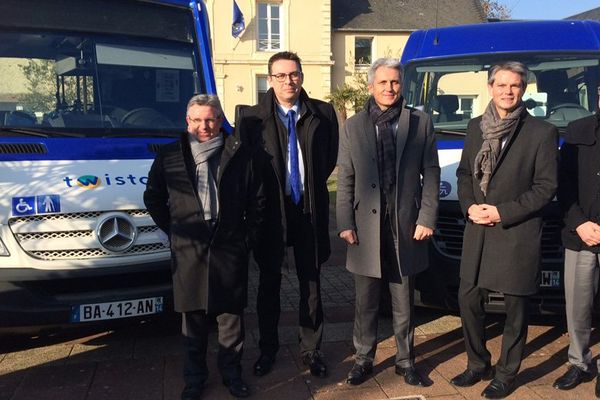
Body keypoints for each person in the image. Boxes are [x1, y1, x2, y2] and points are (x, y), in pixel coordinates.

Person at [144, 94, 263, 400]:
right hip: (189, 248)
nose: (204, 126)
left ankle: (232, 374)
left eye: (210, 119)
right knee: (193, 321)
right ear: (187, 121)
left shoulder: (238, 154)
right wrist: (174, 229)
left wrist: (245, 238)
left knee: (230, 319)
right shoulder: (170, 155)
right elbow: (153, 197)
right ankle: (195, 379)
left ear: (220, 120)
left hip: (228, 245)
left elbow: (258, 201)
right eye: (197, 120)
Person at [452, 62, 558, 399]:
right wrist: (468, 206)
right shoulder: (474, 127)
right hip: (478, 231)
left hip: (515, 231)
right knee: (468, 299)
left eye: (514, 86)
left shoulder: (541, 132)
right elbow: (465, 175)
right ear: (490, 87)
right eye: (501, 85)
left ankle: (506, 373)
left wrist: (501, 211)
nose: (507, 91)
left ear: (524, 89)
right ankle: (477, 363)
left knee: (515, 308)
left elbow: (545, 188)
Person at [336, 58, 440, 387]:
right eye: (383, 83)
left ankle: (405, 360)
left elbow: (432, 174)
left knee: (403, 298)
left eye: (394, 82)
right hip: (365, 227)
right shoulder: (353, 126)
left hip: (405, 224)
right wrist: (344, 222)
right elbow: (346, 177)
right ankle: (363, 358)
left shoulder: (420, 122)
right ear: (371, 87)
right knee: (365, 301)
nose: (389, 88)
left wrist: (427, 217)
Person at [235, 51, 339, 378]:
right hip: (271, 214)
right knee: (269, 284)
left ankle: (311, 350)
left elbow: (329, 158)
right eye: (280, 75)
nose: (288, 81)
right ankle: (268, 350)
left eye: (293, 74)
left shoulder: (322, 113)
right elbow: (246, 168)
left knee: (311, 284)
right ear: (270, 80)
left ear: (301, 76)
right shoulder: (250, 118)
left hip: (308, 211)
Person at [553, 86, 600, 398]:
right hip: (580, 235)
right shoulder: (577, 130)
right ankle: (579, 362)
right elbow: (563, 183)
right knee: (578, 306)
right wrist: (580, 222)